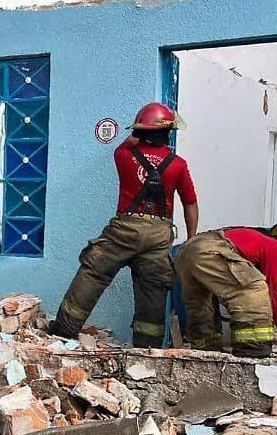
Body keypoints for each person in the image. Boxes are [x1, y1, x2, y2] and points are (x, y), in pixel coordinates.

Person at [48, 102, 199, 348]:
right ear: (167, 133)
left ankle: (64, 329)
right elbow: (190, 204)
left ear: (141, 131)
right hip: (159, 234)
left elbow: (128, 142)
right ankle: (147, 348)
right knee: (154, 288)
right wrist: (191, 239)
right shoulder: (179, 164)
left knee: (94, 270)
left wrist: (138, 130)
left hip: (125, 229)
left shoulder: (124, 156)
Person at [174, 223, 277, 358]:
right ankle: (253, 348)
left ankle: (205, 351)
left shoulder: (258, 241)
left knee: (201, 304)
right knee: (254, 290)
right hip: (210, 250)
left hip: (187, 250)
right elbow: (273, 293)